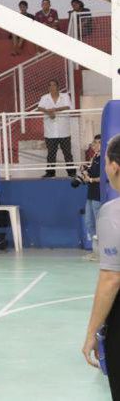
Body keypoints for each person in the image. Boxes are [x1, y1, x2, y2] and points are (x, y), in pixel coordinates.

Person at [82, 134, 120, 395]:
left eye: (105, 161)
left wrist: (91, 333)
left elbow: (111, 278)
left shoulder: (113, 212)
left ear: (114, 167)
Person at [37, 79, 74, 178]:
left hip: (64, 131)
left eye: (54, 85)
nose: (52, 87)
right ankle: (50, 173)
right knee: (51, 154)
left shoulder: (65, 96)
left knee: (67, 153)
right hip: (50, 132)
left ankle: (71, 173)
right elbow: (39, 108)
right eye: (50, 85)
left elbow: (68, 106)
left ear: (58, 86)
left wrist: (54, 110)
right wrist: (48, 112)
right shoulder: (45, 97)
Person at [82, 135, 102, 261]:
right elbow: (89, 175)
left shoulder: (105, 159)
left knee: (99, 224)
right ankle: (95, 252)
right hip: (90, 194)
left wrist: (91, 179)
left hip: (98, 195)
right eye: (93, 143)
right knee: (89, 222)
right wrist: (85, 172)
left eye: (95, 143)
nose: (93, 145)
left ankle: (102, 253)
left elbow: (104, 178)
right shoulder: (94, 157)